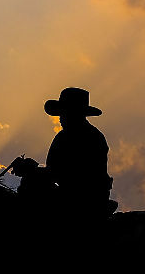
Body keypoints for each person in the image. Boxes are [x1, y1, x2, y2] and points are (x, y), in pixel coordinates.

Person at [11, 87, 116, 222]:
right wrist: (35, 170)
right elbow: (55, 172)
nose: (60, 118)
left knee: (31, 186)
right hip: (71, 195)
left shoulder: (93, 139)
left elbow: (73, 176)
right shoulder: (64, 137)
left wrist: (33, 171)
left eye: (64, 113)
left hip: (86, 201)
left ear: (74, 113)